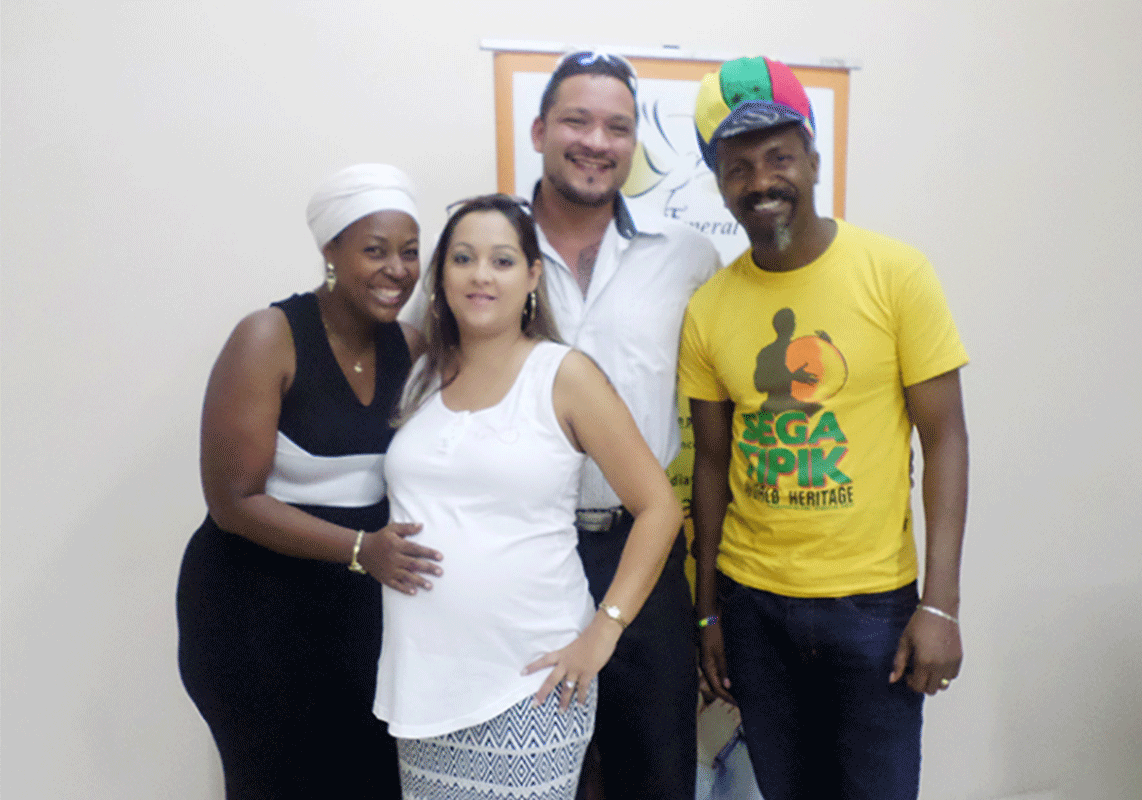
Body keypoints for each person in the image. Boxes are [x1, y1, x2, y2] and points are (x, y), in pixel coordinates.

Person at [681, 57, 970, 800]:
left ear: (812, 159)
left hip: (872, 605)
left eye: (779, 157)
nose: (761, 180)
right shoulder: (709, 309)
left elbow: (946, 440)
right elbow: (710, 465)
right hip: (753, 606)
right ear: (719, 182)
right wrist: (709, 612)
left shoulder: (896, 274)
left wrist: (940, 604)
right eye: (738, 166)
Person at [373, 194, 683, 800]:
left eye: (502, 260)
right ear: (441, 276)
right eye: (463, 258)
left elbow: (659, 507)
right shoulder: (421, 374)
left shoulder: (563, 374)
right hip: (424, 681)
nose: (481, 276)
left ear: (533, 276)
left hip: (531, 679)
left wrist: (604, 630)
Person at [176, 164, 444, 799]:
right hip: (252, 610)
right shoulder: (269, 337)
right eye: (374, 251)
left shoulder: (411, 347)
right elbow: (233, 500)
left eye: (409, 252)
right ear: (331, 251)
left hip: (359, 614)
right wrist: (360, 549)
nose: (397, 269)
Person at [528, 49, 723, 799]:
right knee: (536, 772)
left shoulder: (687, 257)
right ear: (540, 130)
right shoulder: (489, 252)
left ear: (634, 144)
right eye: (576, 121)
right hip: (524, 550)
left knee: (657, 774)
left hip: (642, 549)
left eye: (617, 127)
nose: (596, 142)